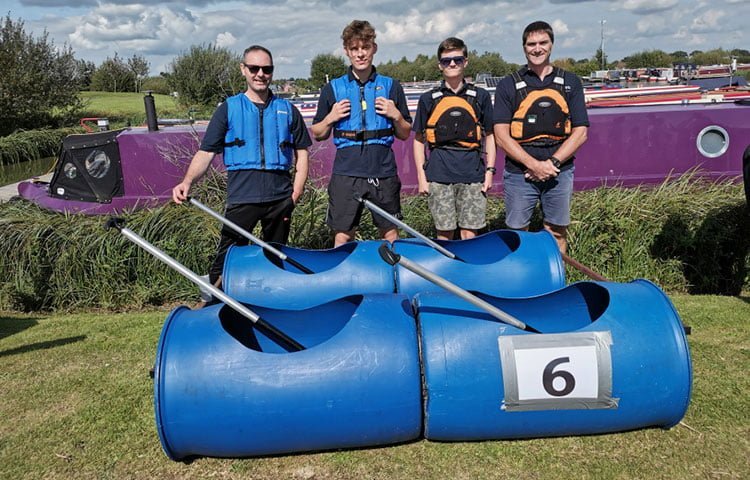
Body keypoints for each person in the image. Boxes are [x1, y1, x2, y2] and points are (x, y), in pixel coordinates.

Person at [172, 45, 311, 286]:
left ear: (272, 72)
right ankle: (213, 304)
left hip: (280, 197)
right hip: (243, 195)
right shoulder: (229, 108)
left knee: (276, 257)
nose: (260, 74)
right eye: (254, 68)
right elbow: (206, 153)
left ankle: (270, 303)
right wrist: (187, 181)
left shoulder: (288, 110)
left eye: (266, 69)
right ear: (243, 69)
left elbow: (302, 155)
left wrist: (295, 195)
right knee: (228, 258)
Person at [312, 20, 412, 247]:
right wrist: (331, 117)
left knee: (389, 233)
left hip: (383, 169)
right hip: (347, 171)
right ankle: (344, 279)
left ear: (373, 49)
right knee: (343, 235)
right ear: (346, 51)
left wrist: (396, 115)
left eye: (365, 48)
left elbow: (405, 133)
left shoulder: (391, 86)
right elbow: (318, 133)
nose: (360, 54)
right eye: (354, 49)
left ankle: (391, 278)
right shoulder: (333, 88)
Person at [493, 21, 589, 253]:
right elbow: (501, 136)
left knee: (556, 230)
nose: (537, 49)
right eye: (531, 44)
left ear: (551, 45)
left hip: (559, 172)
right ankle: (519, 284)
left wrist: (552, 164)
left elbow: (581, 132)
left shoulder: (570, 82)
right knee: (517, 232)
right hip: (520, 173)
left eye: (542, 43)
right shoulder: (508, 85)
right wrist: (533, 165)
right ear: (524, 47)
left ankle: (556, 281)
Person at [412, 37, 496, 240]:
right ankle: (446, 272)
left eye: (457, 59)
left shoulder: (480, 96)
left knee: (470, 234)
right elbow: (418, 140)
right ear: (439, 65)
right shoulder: (428, 99)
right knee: (444, 233)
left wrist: (490, 172)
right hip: (439, 175)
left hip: (473, 175)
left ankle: (469, 271)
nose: (452, 64)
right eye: (446, 60)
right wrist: (422, 179)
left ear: (465, 62)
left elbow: (491, 136)